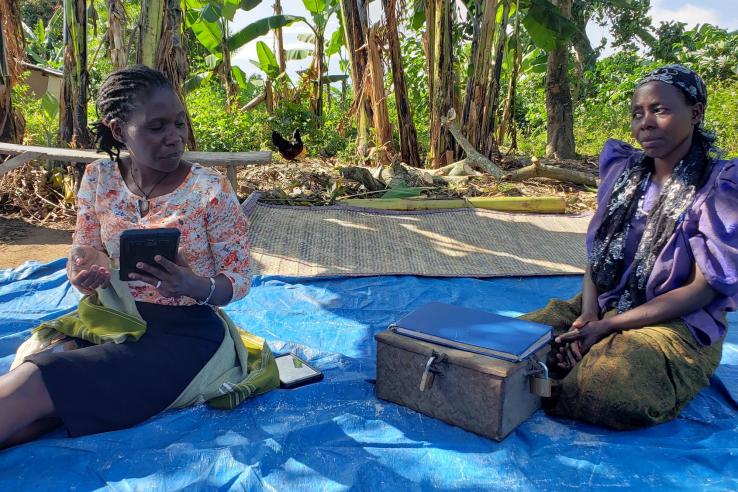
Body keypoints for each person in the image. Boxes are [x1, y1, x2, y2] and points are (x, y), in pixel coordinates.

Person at [0, 65, 265, 448]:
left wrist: (194, 285)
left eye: (179, 123)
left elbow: (238, 280)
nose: (174, 138)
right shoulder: (98, 179)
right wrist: (84, 273)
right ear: (117, 130)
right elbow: (85, 247)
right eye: (156, 128)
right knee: (38, 409)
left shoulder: (210, 190)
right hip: (113, 318)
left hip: (183, 334)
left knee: (40, 379)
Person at [522, 64, 737, 429]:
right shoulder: (624, 172)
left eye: (661, 110)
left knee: (608, 386)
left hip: (675, 324)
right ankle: (558, 371)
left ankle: (556, 377)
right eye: (638, 113)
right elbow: (597, 254)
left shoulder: (720, 185)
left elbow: (701, 290)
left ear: (696, 112)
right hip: (608, 303)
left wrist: (610, 328)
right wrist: (589, 314)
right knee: (509, 342)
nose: (646, 123)